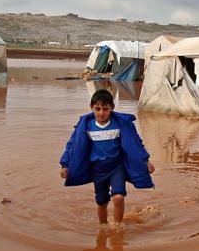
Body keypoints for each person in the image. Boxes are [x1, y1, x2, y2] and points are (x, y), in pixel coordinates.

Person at [60, 88, 155, 225]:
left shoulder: (121, 124)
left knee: (118, 197)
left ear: (112, 108)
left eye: (105, 109)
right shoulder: (86, 126)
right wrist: (65, 165)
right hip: (98, 170)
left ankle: (117, 226)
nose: (101, 113)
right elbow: (72, 146)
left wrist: (146, 161)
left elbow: (135, 143)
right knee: (102, 202)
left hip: (117, 167)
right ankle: (103, 227)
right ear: (91, 108)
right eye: (97, 109)